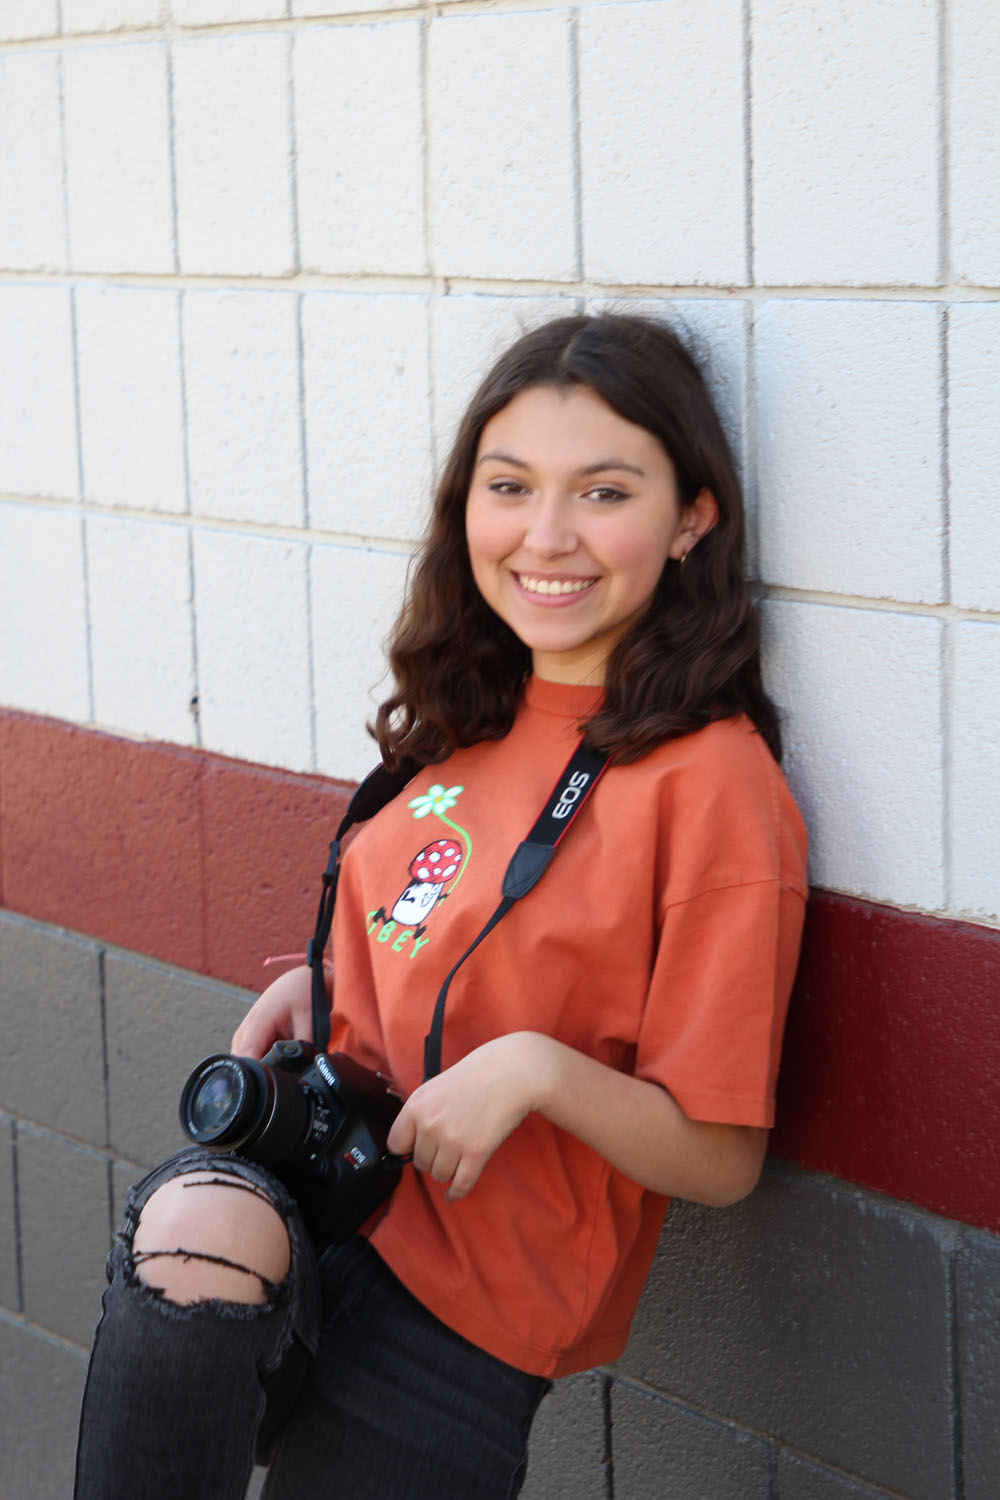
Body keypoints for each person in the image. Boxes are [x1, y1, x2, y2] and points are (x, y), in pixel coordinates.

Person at [74, 312, 807, 1500]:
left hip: (468, 1316)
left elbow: (720, 1157)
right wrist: (337, 980)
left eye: (604, 491)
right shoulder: (468, 711)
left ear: (691, 518)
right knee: (190, 1236)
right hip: (319, 1211)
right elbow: (450, 928)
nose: (547, 536)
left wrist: (537, 1069)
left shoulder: (712, 783)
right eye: (508, 486)